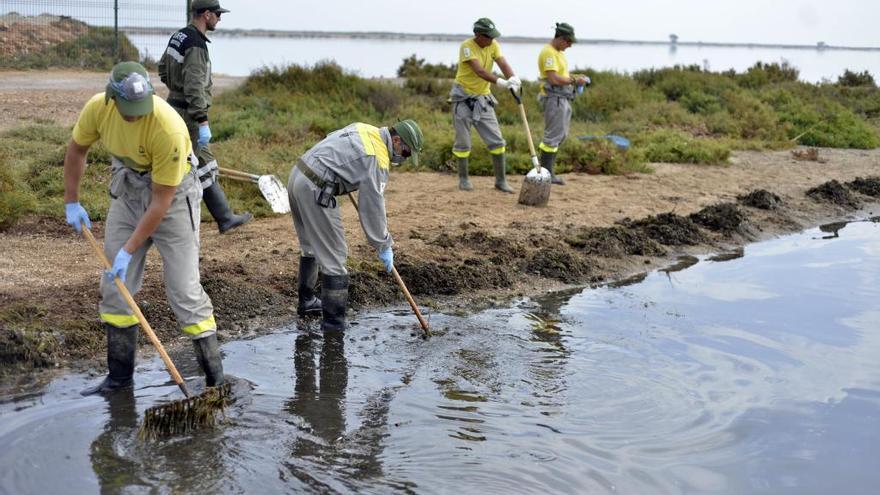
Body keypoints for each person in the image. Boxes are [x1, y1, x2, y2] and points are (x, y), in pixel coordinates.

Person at [65, 62, 225, 395]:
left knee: (185, 291)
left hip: (173, 199)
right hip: (128, 191)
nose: (135, 116)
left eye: (141, 109)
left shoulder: (168, 128)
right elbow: (77, 149)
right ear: (112, 98)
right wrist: (72, 201)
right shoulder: (98, 109)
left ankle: (215, 384)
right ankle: (119, 380)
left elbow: (161, 202)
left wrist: (128, 249)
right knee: (116, 288)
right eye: (128, 110)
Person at [287, 120, 423, 332]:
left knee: (311, 246)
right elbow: (372, 206)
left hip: (298, 173)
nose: (403, 159)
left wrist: (347, 173)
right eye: (405, 153)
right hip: (316, 187)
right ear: (396, 140)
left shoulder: (365, 128)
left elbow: (335, 141)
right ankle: (333, 326)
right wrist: (383, 244)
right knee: (335, 257)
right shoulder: (377, 158)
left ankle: (307, 302)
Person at [157, 0, 252, 234]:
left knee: (205, 162)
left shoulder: (179, 36)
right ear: (206, 14)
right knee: (183, 166)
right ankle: (165, 218)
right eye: (218, 14)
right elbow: (194, 86)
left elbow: (162, 68)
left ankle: (225, 217)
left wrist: (175, 89)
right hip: (188, 115)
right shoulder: (197, 44)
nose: (220, 18)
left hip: (174, 106)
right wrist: (202, 120)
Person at [450, 18, 521, 193]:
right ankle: (464, 179)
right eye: (488, 37)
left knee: (497, 141)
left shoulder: (493, 45)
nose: (491, 40)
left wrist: (513, 78)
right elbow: (479, 71)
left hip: (483, 99)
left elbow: (502, 63)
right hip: (463, 98)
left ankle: (501, 181)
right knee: (463, 143)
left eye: (492, 37)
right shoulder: (467, 46)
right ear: (478, 35)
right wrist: (500, 83)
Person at [537, 22, 590, 185]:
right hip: (554, 99)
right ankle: (546, 173)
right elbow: (553, 78)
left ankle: (548, 172)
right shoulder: (548, 53)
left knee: (560, 135)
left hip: (563, 99)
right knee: (552, 136)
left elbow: (562, 75)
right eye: (568, 42)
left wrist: (576, 77)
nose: (570, 45)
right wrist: (575, 80)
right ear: (560, 38)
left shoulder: (558, 53)